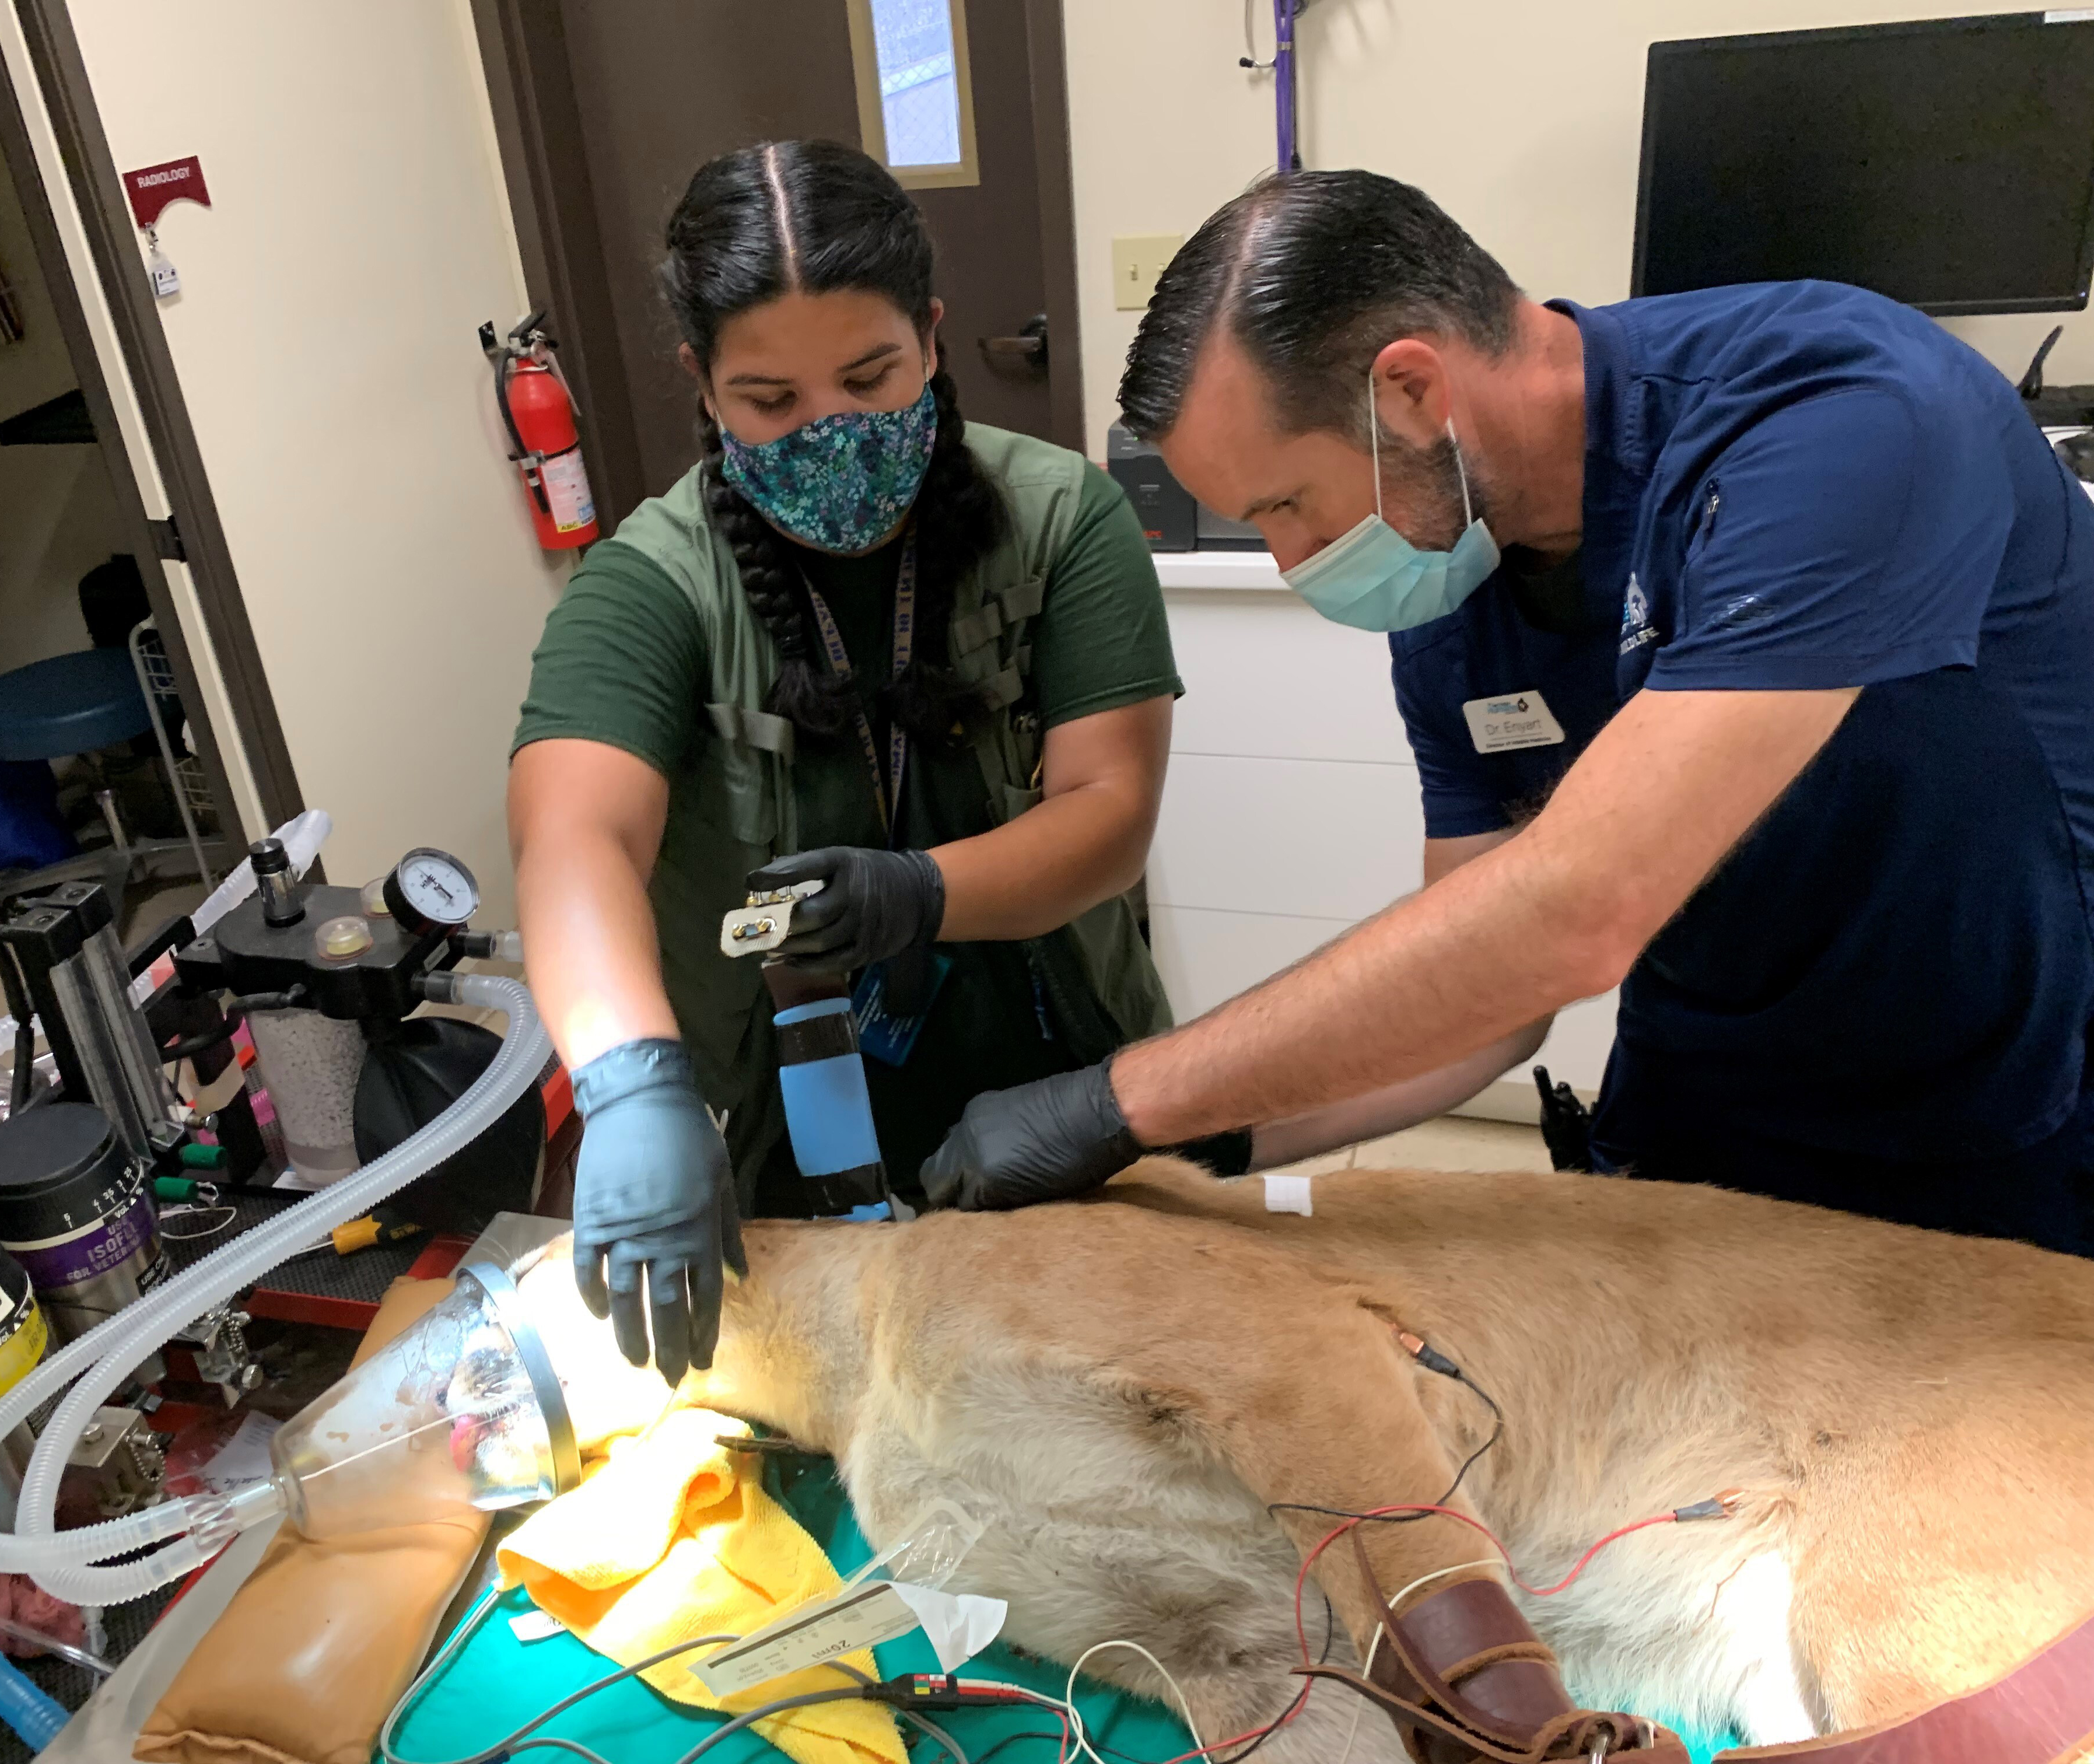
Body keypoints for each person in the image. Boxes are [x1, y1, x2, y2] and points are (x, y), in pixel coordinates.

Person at [918, 167, 2094, 1259]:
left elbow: (1579, 907)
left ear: (1415, 391)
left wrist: (1119, 1097)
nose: (1291, 563)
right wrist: (1188, 1140)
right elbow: (1485, 1007)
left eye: (1288, 504)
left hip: (1990, 1105)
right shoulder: (1454, 580)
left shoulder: (1835, 420)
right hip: (1701, 1111)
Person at [509, 139, 1189, 1381]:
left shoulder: (1063, 523)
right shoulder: (653, 583)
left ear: (931, 339)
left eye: (871, 377)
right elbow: (574, 840)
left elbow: (1111, 809)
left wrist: (922, 893)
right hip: (797, 1112)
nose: (829, 431)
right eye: (770, 402)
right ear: (701, 387)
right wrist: (629, 1083)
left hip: (1055, 1080)